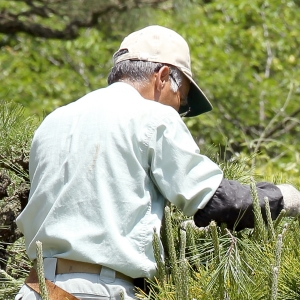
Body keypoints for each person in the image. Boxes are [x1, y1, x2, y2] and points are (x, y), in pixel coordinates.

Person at [15, 25, 300, 300]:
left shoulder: (54, 120)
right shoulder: (151, 117)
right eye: (183, 100)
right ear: (162, 76)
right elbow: (216, 201)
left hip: (35, 288)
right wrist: (283, 198)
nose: (179, 111)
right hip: (99, 291)